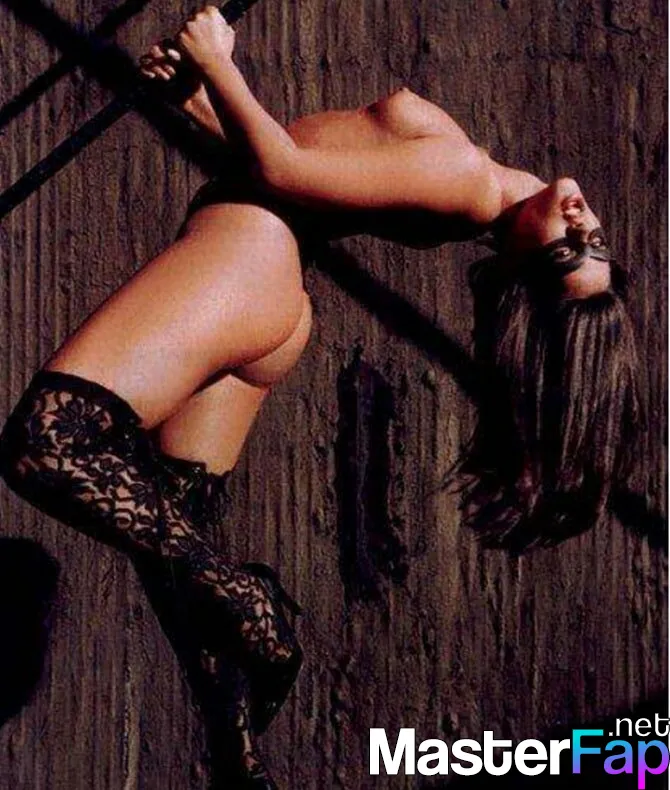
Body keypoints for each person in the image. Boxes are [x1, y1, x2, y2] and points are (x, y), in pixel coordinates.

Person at [0, 5, 641, 787]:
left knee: (48, 443)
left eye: (566, 252)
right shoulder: (478, 184)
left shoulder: (469, 181)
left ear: (523, 278)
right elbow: (305, 174)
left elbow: (283, 174)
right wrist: (200, 101)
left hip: (247, 261)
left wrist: (219, 59)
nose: (579, 221)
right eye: (592, 240)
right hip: (267, 293)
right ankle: (239, 758)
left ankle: (251, 601)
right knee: (174, 509)